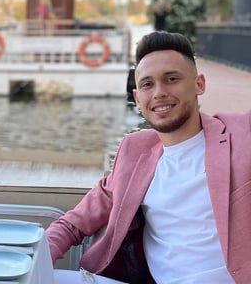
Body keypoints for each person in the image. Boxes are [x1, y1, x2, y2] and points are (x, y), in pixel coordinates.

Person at [46, 31, 250, 283]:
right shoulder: (134, 151)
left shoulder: (241, 134)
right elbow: (74, 223)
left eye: (172, 79)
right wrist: (38, 258)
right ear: (137, 99)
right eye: (147, 84)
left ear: (199, 84)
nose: (159, 92)